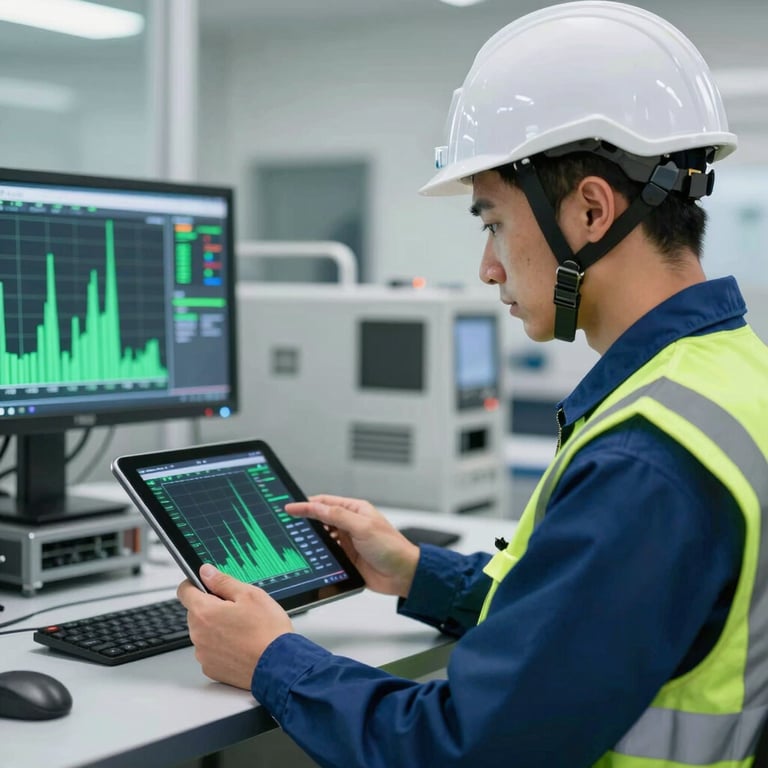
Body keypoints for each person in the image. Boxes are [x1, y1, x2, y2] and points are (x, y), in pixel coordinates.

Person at [177, 2, 768, 766]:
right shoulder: (732, 376)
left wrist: (271, 660)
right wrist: (417, 572)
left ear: (591, 210)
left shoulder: (646, 460)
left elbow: (464, 748)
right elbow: (594, 626)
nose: (488, 268)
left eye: (492, 223)